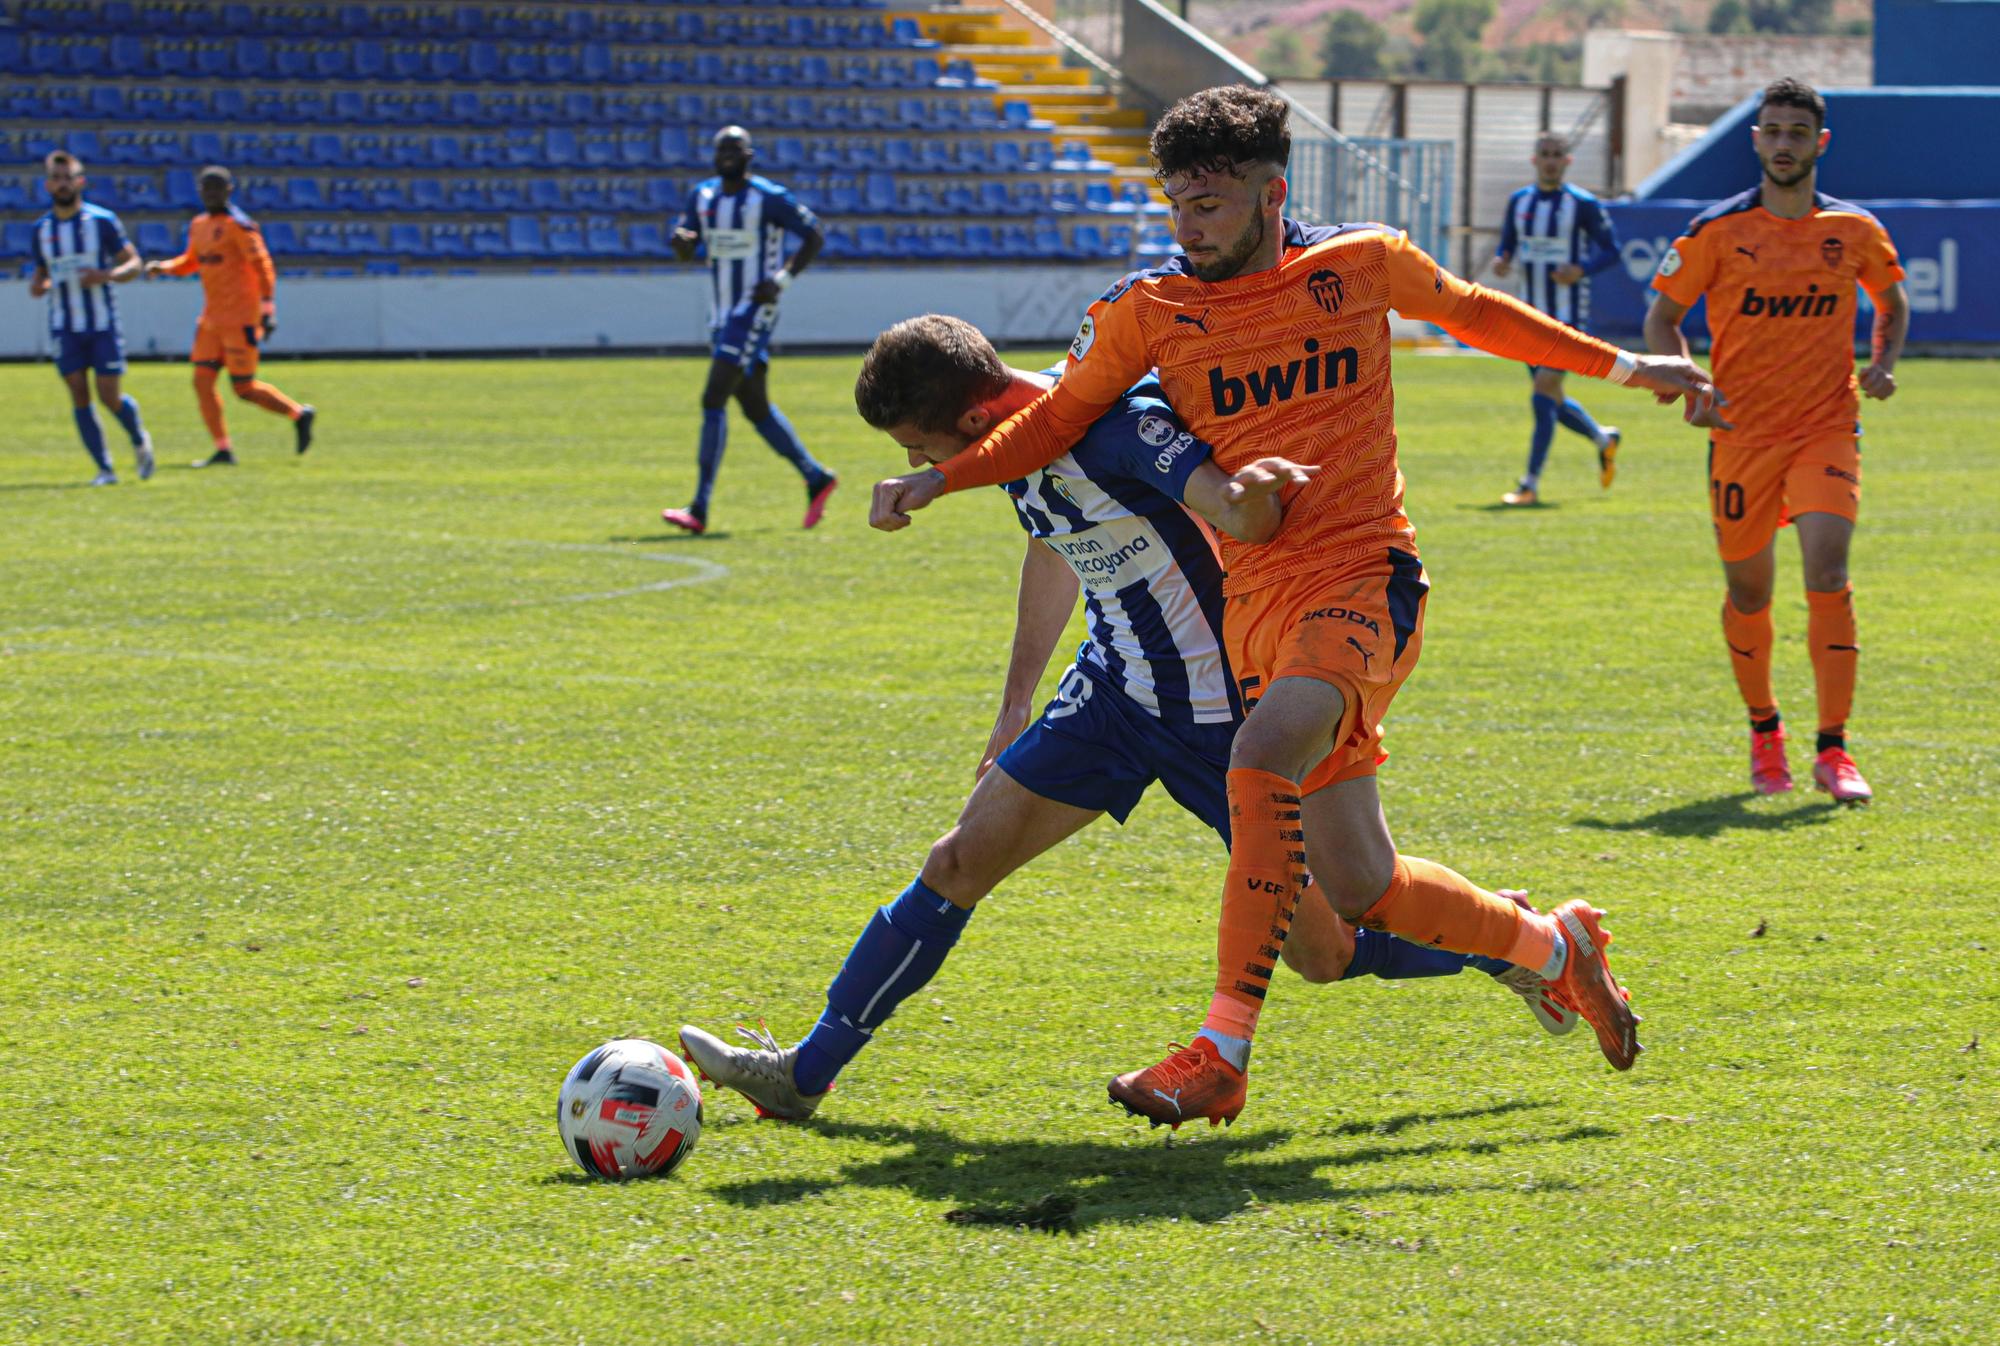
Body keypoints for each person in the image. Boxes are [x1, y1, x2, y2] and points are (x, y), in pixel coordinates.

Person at [868, 86, 1721, 1128]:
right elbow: (1051, 425)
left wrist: (1631, 366)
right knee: (1361, 888)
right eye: (1174, 206)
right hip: (1256, 609)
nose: (1187, 229)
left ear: (1272, 194)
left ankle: (1220, 1047)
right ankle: (1552, 946)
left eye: (1209, 207)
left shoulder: (1357, 263)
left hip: (1362, 578)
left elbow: (1476, 314)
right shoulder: (1148, 310)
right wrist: (935, 481)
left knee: (1256, 756)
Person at [677, 314, 1578, 1123]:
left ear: (974, 420)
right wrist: (1016, 702)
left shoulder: (1116, 425)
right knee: (958, 859)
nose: (922, 467)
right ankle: (803, 1075)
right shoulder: (1013, 441)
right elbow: (1056, 541)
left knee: (1324, 950)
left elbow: (1226, 507)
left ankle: (1505, 946)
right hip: (1111, 695)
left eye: (921, 447)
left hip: (1227, 719)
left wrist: (1249, 493)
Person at [1645, 78, 1907, 805]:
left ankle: (1834, 748)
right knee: (1748, 590)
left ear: (1819, 143)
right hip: (1740, 437)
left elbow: (1892, 302)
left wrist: (1882, 364)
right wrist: (1693, 382)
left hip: (1826, 425)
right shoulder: (1714, 233)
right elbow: (1662, 319)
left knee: (1827, 571)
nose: (1784, 143)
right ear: (1755, 140)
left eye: (1798, 132)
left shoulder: (1855, 232)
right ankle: (1766, 732)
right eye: (1773, 131)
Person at [661, 126, 837, 535]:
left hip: (753, 311)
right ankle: (816, 477)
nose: (727, 156)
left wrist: (782, 280)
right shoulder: (702, 196)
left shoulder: (768, 198)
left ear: (748, 155)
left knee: (712, 397)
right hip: (721, 315)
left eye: (734, 150)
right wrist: (682, 242)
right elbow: (688, 246)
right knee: (755, 408)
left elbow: (814, 234)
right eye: (721, 149)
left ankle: (699, 507)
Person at [142, 165, 314, 467]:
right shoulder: (198, 225)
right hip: (211, 322)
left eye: (216, 189)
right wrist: (165, 267)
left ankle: (298, 414)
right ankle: (223, 449)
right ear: (199, 192)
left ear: (228, 191)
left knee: (243, 388)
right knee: (202, 381)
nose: (210, 195)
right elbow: (192, 261)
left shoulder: (239, 226)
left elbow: (263, 266)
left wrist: (267, 309)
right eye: (206, 189)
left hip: (241, 321)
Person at [1492, 132, 1623, 506]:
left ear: (1567, 161)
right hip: (1529, 315)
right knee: (1551, 398)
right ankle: (1603, 438)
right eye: (1545, 154)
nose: (1550, 161)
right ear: (1535, 160)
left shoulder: (1582, 204)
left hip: (1567, 317)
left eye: (1557, 155)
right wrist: (1502, 261)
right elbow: (1507, 245)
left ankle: (1529, 484)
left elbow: (1611, 250)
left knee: (1542, 395)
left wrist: (1581, 269)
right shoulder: (1519, 202)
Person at [25, 151, 153, 485]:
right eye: (56, 178)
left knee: (109, 395)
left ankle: (138, 438)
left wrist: (106, 275)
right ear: (47, 184)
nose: (62, 184)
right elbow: (42, 275)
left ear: (80, 182)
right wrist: (39, 285)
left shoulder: (101, 221)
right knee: (79, 394)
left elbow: (134, 264)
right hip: (64, 324)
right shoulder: (41, 229)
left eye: (68, 178)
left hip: (101, 323)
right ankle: (105, 468)